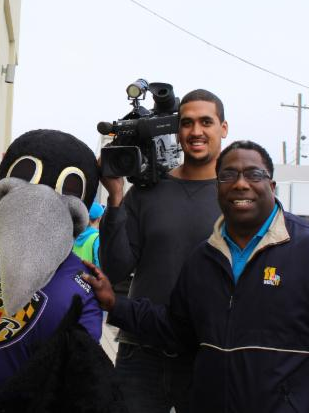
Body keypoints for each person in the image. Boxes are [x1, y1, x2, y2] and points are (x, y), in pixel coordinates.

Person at [84, 140, 309, 413]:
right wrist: (115, 304)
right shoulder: (202, 261)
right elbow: (176, 329)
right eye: (228, 175)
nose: (241, 183)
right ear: (217, 188)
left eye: (254, 174)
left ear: (272, 186)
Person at [0, 129, 123, 413]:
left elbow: (78, 374)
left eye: (70, 186)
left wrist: (117, 196)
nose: (42, 197)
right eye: (26, 172)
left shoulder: (82, 282)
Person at [99, 88, 227, 412]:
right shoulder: (145, 192)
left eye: (206, 122)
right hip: (140, 353)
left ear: (223, 128)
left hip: (206, 354)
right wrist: (115, 198)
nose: (196, 131)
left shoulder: (235, 196)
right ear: (176, 129)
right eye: (187, 123)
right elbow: (115, 268)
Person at [73, 201, 105, 266]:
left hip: (75, 271)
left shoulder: (75, 234)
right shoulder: (97, 238)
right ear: (99, 219)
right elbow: (100, 266)